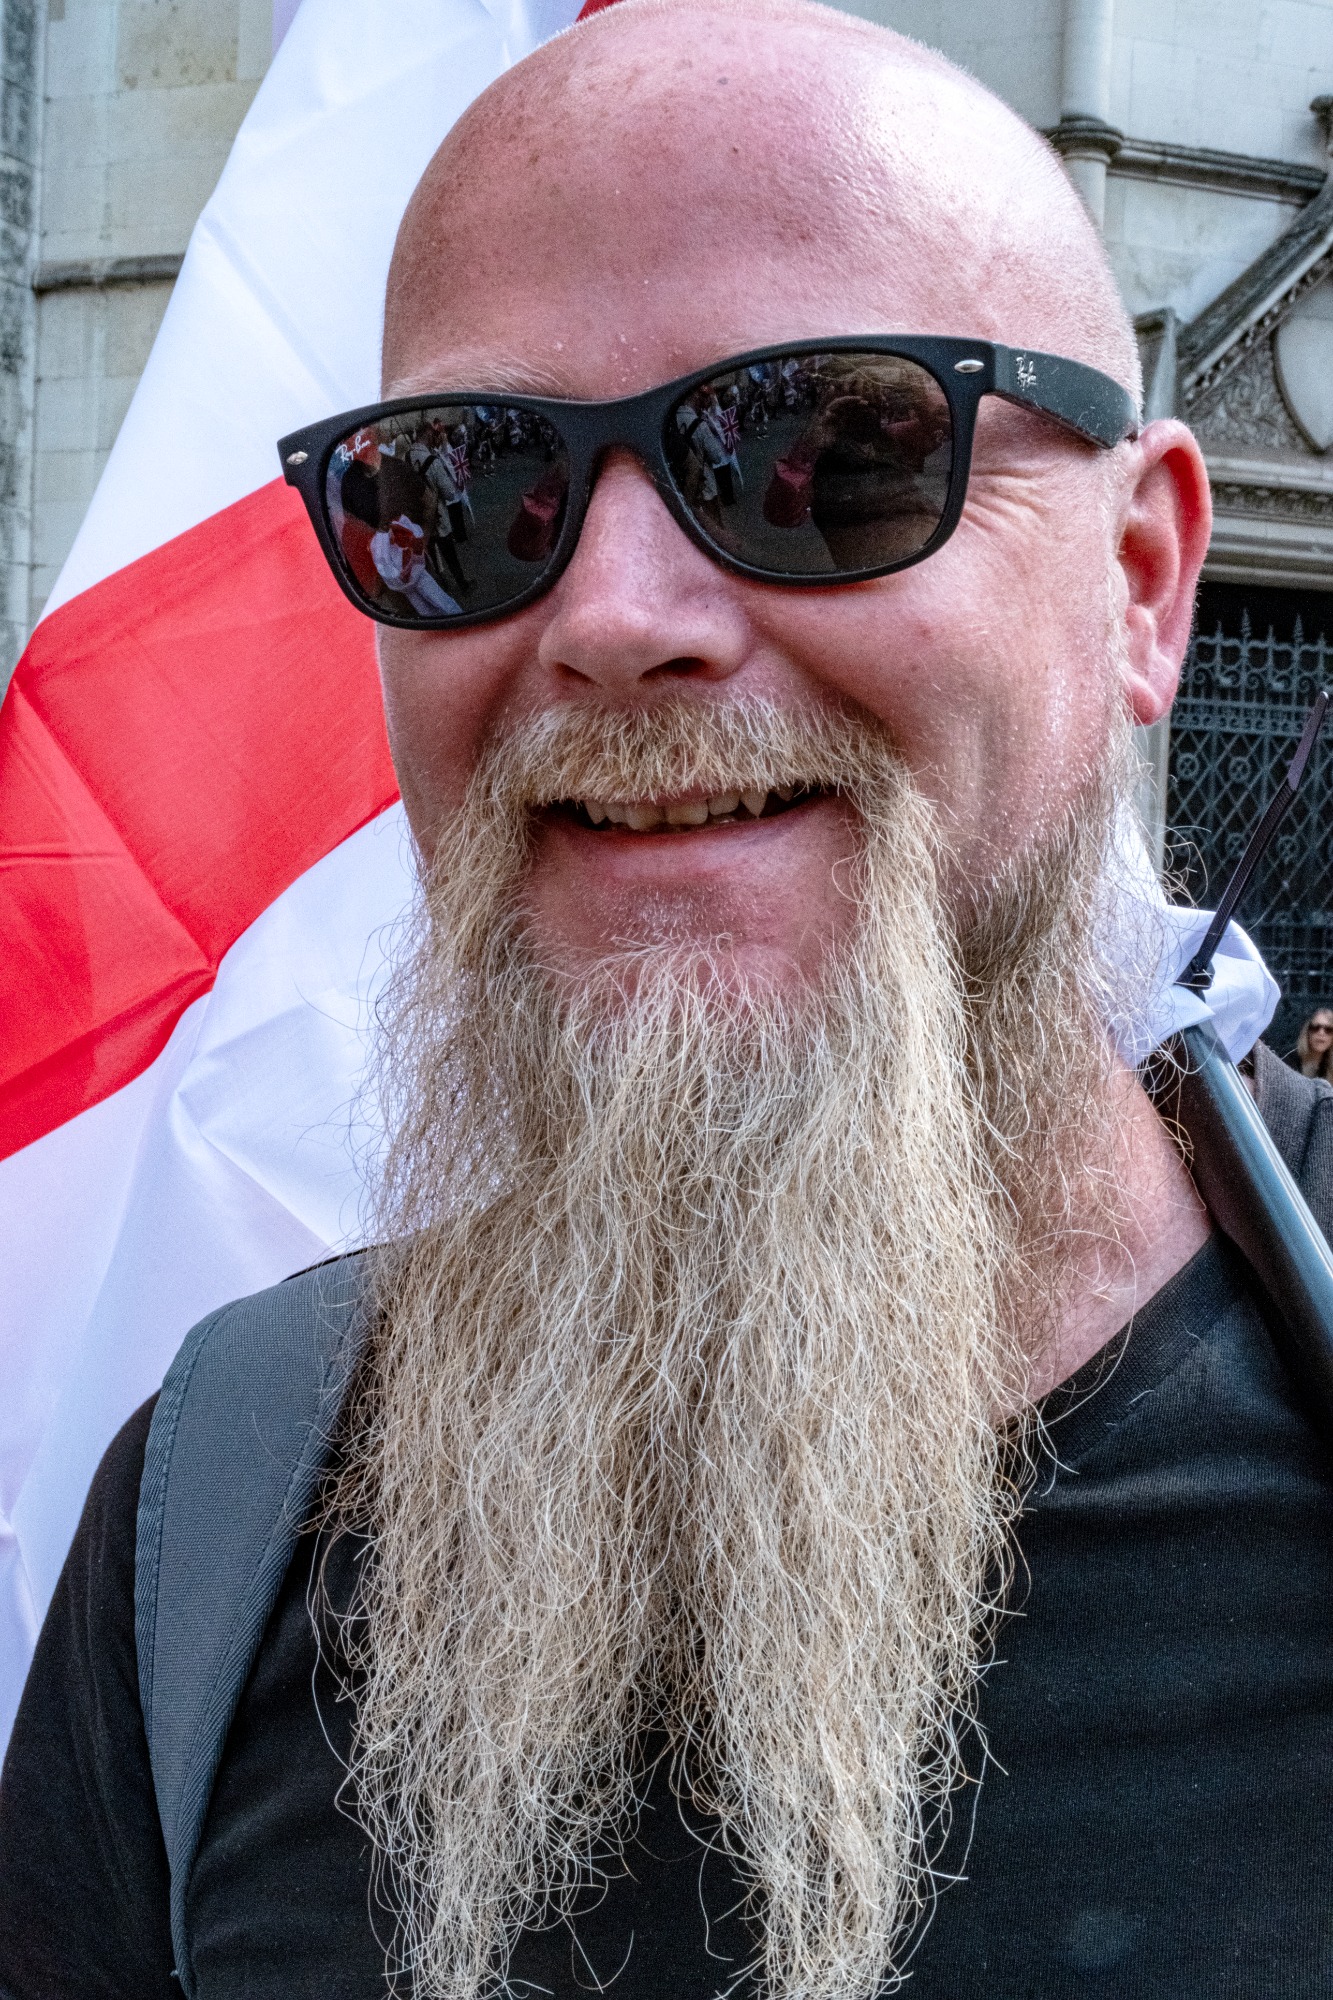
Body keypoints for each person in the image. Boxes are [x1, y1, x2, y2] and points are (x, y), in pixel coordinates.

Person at [4, 3, 1333, 1996]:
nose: (615, 621)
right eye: (464, 494)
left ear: (1138, 580)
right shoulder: (208, 1518)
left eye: (831, 456)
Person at [1294, 1006, 1333, 1079]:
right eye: (1315, 1027)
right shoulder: (1290, 1059)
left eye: (1328, 1029)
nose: (1321, 1033)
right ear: (1308, 1032)